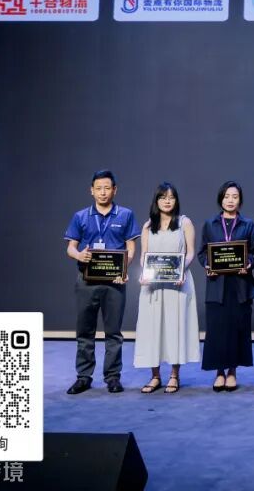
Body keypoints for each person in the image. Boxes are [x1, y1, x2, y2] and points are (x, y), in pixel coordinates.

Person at [63, 169, 140, 395]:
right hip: (86, 281)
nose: (103, 192)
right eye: (99, 188)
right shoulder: (81, 216)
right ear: (92, 191)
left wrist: (124, 268)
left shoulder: (125, 215)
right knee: (84, 331)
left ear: (115, 190)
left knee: (113, 332)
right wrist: (79, 255)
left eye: (107, 188)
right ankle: (83, 377)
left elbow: (131, 247)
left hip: (114, 281)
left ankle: (113, 377)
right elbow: (70, 248)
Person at [135, 182, 200, 394]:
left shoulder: (184, 223)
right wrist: (144, 274)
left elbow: (190, 252)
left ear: (176, 200)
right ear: (156, 200)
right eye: (163, 197)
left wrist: (181, 270)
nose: (167, 201)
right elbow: (144, 256)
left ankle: (174, 375)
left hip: (177, 284)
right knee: (152, 328)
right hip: (153, 286)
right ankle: (155, 376)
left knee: (175, 327)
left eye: (171, 197)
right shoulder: (147, 226)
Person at [197, 181, 254, 393]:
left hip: (240, 285)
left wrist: (248, 264)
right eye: (227, 196)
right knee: (217, 330)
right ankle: (219, 372)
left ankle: (232, 372)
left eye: (235, 196)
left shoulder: (248, 224)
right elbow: (202, 253)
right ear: (220, 199)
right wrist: (208, 265)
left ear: (240, 200)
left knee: (236, 329)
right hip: (217, 285)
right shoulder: (210, 224)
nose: (230, 200)